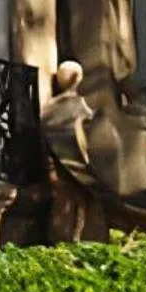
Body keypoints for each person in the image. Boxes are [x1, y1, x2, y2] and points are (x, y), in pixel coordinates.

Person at [40, 59, 97, 242]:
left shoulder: (49, 108)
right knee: (82, 207)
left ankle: (62, 242)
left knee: (64, 205)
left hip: (57, 169)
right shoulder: (84, 108)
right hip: (78, 168)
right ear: (79, 79)